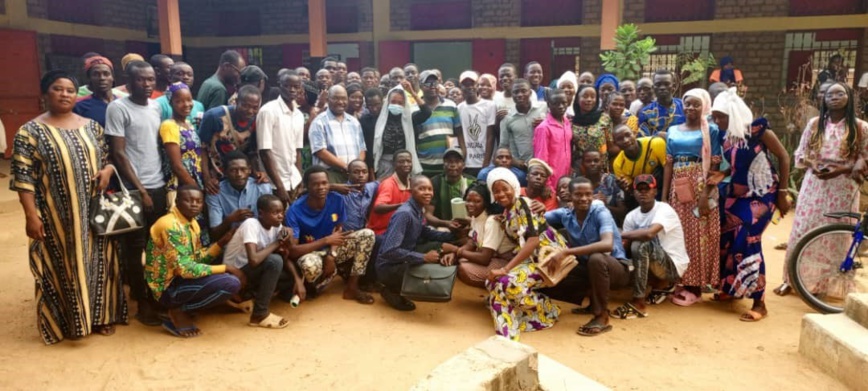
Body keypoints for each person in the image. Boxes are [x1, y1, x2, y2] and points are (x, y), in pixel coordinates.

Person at [12, 70, 123, 344]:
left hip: (95, 211)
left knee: (100, 262)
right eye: (57, 89)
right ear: (45, 94)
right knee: (63, 264)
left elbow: (107, 158)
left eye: (70, 90)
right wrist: (31, 216)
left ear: (77, 94)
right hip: (56, 214)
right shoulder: (30, 132)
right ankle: (68, 322)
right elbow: (23, 179)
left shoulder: (91, 127)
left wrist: (108, 169)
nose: (64, 94)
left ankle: (101, 317)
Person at [775, 82, 868, 295]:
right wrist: (813, 164)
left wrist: (842, 168)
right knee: (802, 230)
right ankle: (790, 279)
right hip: (815, 185)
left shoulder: (860, 127)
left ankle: (823, 286)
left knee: (835, 236)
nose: (834, 97)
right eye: (829, 94)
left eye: (840, 93)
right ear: (823, 99)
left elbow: (864, 156)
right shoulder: (815, 124)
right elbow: (801, 153)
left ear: (849, 97)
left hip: (843, 187)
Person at [713, 88, 791, 321]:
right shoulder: (723, 135)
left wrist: (783, 193)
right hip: (736, 195)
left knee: (748, 240)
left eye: (721, 116)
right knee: (727, 240)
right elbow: (738, 164)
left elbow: (784, 157)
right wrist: (722, 173)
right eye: (715, 116)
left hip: (762, 195)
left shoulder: (759, 131)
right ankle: (731, 289)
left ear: (734, 114)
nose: (717, 121)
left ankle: (760, 303)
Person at [105, 60, 166, 325]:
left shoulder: (156, 106)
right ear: (128, 82)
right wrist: (140, 189)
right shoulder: (117, 108)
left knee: (157, 245)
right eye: (141, 80)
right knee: (135, 247)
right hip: (133, 189)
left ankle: (155, 296)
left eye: (150, 79)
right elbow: (118, 152)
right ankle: (141, 303)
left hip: (159, 185)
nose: (147, 84)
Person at [144, 185, 243, 338]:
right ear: (177, 201)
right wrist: (226, 268)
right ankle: (177, 310)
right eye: (188, 200)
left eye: (198, 201)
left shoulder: (192, 223)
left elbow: (196, 258)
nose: (194, 204)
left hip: (180, 279)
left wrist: (220, 244)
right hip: (166, 287)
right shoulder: (170, 225)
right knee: (230, 283)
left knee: (229, 279)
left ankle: (183, 308)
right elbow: (186, 269)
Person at [485, 168, 566, 340]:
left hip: (549, 259)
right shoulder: (508, 212)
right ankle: (506, 332)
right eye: (496, 191)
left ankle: (547, 309)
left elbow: (533, 241)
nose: (501, 194)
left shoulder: (523, 204)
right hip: (533, 260)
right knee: (492, 282)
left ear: (514, 187)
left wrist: (505, 269)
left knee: (508, 283)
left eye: (504, 188)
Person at [545, 178, 628, 336]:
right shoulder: (566, 214)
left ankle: (602, 316)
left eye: (588, 194)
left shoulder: (600, 212)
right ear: (570, 196)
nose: (584, 198)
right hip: (590, 268)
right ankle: (591, 303)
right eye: (578, 194)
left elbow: (607, 244)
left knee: (595, 258)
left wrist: (567, 252)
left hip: (617, 270)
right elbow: (538, 219)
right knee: (557, 266)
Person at [662, 88, 722, 306]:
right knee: (681, 235)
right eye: (687, 104)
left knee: (700, 235)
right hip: (678, 188)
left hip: (700, 186)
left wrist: (705, 195)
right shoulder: (673, 130)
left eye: (696, 104)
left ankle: (696, 286)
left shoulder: (711, 130)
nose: (691, 108)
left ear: (705, 106)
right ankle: (682, 280)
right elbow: (669, 164)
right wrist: (664, 198)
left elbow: (715, 163)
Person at [285, 166, 376, 303]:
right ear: (307, 186)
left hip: (333, 248)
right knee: (309, 266)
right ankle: (316, 283)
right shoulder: (295, 210)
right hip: (311, 252)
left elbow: (338, 229)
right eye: (315, 184)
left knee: (367, 234)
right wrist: (326, 240)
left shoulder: (337, 199)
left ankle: (352, 287)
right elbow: (292, 251)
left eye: (324, 183)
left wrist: (331, 255)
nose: (321, 187)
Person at [377, 176, 459, 311]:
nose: (427, 192)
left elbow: (424, 232)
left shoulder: (417, 209)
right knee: (432, 262)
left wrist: (453, 236)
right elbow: (389, 251)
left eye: (429, 189)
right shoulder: (404, 214)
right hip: (389, 267)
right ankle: (391, 289)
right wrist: (423, 258)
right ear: (411, 191)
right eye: (421, 189)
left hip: (404, 255)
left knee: (441, 249)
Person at [223, 194, 300, 328]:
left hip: (251, 271)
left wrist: (288, 239)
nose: (280, 216)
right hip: (235, 272)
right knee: (274, 261)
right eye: (275, 212)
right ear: (261, 213)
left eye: (281, 212)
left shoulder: (277, 226)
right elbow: (253, 260)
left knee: (288, 275)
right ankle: (259, 314)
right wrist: (277, 243)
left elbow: (286, 253)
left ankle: (249, 297)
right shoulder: (251, 224)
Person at [618, 175, 688, 318]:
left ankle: (639, 303)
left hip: (672, 266)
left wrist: (620, 235)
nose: (643, 192)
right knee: (629, 254)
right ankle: (659, 286)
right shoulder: (631, 216)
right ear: (634, 192)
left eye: (647, 189)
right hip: (654, 262)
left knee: (640, 244)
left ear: (655, 191)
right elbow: (624, 248)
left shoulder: (664, 209)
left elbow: (649, 234)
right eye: (639, 189)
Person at [159, 82, 208, 246]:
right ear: (171, 102)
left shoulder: (189, 125)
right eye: (180, 101)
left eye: (189, 99)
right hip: (181, 185)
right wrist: (195, 188)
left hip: (195, 182)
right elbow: (176, 164)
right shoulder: (169, 126)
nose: (186, 104)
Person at [443, 185, 513, 288]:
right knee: (461, 261)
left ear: (486, 203)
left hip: (505, 261)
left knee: (464, 269)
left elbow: (484, 259)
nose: (471, 204)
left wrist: (456, 250)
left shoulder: (492, 221)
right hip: (493, 257)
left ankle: (499, 284)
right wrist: (455, 254)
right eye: (468, 200)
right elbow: (472, 241)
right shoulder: (477, 216)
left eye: (477, 201)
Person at [199, 85, 263, 192]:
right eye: (246, 106)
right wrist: (206, 178)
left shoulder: (256, 120)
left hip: (240, 175)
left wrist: (256, 172)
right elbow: (202, 148)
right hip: (215, 175)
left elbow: (252, 151)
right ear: (236, 101)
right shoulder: (214, 116)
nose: (250, 111)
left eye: (255, 107)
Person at [257, 72, 305, 206]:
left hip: (293, 181)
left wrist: (299, 179)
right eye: (287, 86)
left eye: (296, 86)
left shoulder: (299, 115)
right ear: (280, 85)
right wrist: (279, 186)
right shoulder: (268, 111)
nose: (292, 90)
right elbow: (265, 152)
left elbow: (298, 151)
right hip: (273, 184)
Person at [207, 151, 273, 240]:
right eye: (233, 170)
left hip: (260, 239)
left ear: (249, 170)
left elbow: (272, 221)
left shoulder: (262, 187)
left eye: (243, 169)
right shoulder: (216, 192)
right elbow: (214, 234)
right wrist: (230, 220)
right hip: (230, 242)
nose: (239, 174)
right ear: (225, 172)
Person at [309, 85, 367, 183]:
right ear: (328, 99)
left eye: (343, 98)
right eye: (336, 98)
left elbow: (362, 149)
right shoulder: (319, 122)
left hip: (354, 175)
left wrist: (356, 167)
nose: (340, 102)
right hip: (331, 175)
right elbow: (320, 152)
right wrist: (346, 167)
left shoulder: (354, 122)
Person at [372, 86, 431, 178]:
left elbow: (426, 112)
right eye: (393, 102)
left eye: (400, 103)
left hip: (405, 163)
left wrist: (412, 93)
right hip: (385, 164)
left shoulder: (410, 119)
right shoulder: (379, 119)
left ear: (405, 104)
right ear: (387, 102)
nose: (396, 105)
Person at [416, 70, 463, 177]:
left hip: (449, 166)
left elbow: (459, 134)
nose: (432, 87)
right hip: (424, 166)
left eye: (435, 83)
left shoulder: (451, 106)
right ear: (420, 86)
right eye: (428, 84)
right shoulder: (414, 109)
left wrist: (462, 156)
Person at [611, 124, 667, 201]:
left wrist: (664, 197)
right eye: (620, 139)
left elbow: (669, 170)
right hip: (644, 193)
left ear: (634, 133)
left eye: (628, 135)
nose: (626, 140)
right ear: (615, 143)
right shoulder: (618, 164)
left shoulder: (654, 143)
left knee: (659, 172)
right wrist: (625, 188)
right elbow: (633, 191)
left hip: (665, 186)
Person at [501, 79, 547, 172]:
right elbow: (503, 146)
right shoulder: (507, 117)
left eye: (523, 91)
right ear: (512, 95)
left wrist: (546, 122)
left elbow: (558, 125)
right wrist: (516, 162)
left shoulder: (544, 108)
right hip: (520, 167)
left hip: (544, 165)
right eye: (516, 92)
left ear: (530, 92)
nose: (519, 95)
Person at [458, 71, 497, 176]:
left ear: (477, 86)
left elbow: (490, 136)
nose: (469, 87)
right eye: (465, 85)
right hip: (467, 163)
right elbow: (460, 134)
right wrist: (462, 158)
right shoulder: (459, 108)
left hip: (484, 162)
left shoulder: (489, 106)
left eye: (472, 84)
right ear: (461, 87)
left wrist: (486, 162)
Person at [366, 149, 414, 235]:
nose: (406, 164)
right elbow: (378, 207)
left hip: (401, 230)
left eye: (408, 161)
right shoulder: (388, 184)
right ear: (394, 164)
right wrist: (401, 205)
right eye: (401, 162)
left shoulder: (412, 183)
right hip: (383, 232)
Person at [534, 88, 572, 189]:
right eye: (556, 103)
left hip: (565, 178)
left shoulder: (567, 122)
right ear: (549, 104)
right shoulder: (544, 128)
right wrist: (546, 184)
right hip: (551, 181)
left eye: (564, 103)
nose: (561, 106)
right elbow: (541, 158)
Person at [429, 148, 476, 228]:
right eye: (449, 161)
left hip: (468, 226)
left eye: (457, 161)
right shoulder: (435, 182)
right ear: (443, 165)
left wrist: (470, 222)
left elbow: (480, 214)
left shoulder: (472, 183)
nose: (453, 165)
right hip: (442, 226)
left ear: (463, 165)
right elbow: (428, 215)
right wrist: (446, 224)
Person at [572, 84, 613, 167]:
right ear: (577, 99)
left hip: (601, 167)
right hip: (581, 168)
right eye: (585, 96)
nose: (589, 100)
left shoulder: (604, 119)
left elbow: (610, 146)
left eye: (593, 97)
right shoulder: (571, 122)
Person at [155, 62, 206, 128]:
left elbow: (199, 128)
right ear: (169, 77)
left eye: (189, 75)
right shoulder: (159, 103)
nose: (186, 77)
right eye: (180, 74)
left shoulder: (199, 106)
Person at [581, 150, 626, 222]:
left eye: (596, 161)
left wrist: (605, 206)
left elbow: (623, 212)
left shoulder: (612, 181)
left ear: (602, 162)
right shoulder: (578, 184)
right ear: (582, 164)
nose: (592, 164)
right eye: (588, 161)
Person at [73, 55, 118, 127]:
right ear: (89, 78)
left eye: (106, 74)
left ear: (112, 77)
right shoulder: (79, 107)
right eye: (96, 74)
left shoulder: (124, 104)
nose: (102, 78)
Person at [638, 69, 684, 137]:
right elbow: (643, 139)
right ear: (653, 88)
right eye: (658, 84)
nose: (662, 87)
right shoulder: (645, 112)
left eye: (666, 84)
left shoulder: (684, 106)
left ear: (673, 87)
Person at [342, 159, 380, 232]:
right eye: (356, 172)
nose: (361, 175)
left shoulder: (371, 187)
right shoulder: (341, 193)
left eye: (364, 172)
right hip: (344, 235)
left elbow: (383, 182)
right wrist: (332, 187)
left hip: (363, 233)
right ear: (348, 174)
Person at [360, 88, 383, 173]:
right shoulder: (364, 120)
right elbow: (367, 147)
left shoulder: (389, 117)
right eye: (370, 105)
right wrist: (371, 170)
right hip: (372, 163)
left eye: (377, 104)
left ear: (382, 102)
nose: (374, 109)